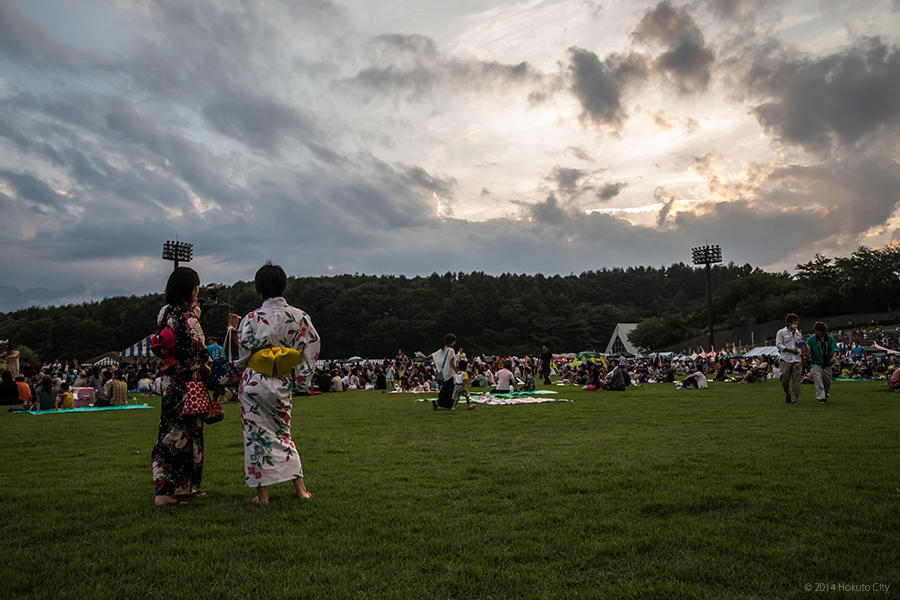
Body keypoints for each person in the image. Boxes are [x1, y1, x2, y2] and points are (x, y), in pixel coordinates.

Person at [228, 262, 319, 504]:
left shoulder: (251, 318)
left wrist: (234, 331)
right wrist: (300, 379)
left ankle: (263, 495)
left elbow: (244, 353)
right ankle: (300, 490)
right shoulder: (299, 317)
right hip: (281, 380)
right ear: (284, 285)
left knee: (255, 435)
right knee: (283, 433)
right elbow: (310, 347)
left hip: (255, 381)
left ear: (259, 289)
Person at [151, 267, 211, 507]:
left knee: (180, 431)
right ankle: (165, 491)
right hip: (186, 382)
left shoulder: (165, 313)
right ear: (190, 289)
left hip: (170, 380)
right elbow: (198, 350)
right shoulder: (186, 318)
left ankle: (182, 487)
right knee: (180, 434)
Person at [806, 321, 838, 405]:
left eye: (818, 331)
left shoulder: (830, 338)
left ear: (823, 331)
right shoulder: (811, 339)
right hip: (816, 362)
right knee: (818, 380)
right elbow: (806, 348)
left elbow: (835, 348)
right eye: (815, 331)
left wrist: (834, 357)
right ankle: (821, 398)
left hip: (828, 363)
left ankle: (826, 394)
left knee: (827, 381)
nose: (816, 332)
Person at [776, 313, 804, 405]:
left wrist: (802, 349)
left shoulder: (798, 332)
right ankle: (787, 393)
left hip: (797, 359)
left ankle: (795, 398)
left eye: (797, 322)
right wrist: (790, 350)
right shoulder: (781, 332)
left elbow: (800, 343)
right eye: (794, 322)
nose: (796, 324)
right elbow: (779, 344)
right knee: (784, 379)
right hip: (786, 358)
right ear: (789, 322)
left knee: (797, 380)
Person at [426, 333, 457, 410]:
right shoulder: (451, 350)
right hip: (450, 373)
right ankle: (441, 402)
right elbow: (452, 362)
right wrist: (456, 370)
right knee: (449, 390)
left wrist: (424, 357)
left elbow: (431, 356)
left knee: (445, 389)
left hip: (444, 373)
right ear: (451, 341)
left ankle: (440, 402)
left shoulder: (442, 350)